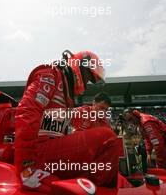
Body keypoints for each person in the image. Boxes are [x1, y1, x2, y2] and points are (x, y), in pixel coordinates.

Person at [15, 50, 119, 193]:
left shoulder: (66, 93)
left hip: (49, 153)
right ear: (80, 65)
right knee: (107, 138)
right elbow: (26, 113)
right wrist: (26, 167)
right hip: (36, 153)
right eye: (88, 76)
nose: (87, 83)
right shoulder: (50, 74)